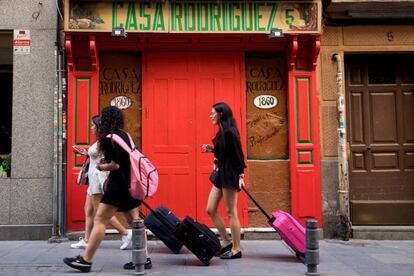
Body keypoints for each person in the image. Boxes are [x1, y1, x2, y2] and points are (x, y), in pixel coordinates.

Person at [64, 106, 151, 272]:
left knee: (100, 220)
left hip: (117, 186)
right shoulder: (124, 135)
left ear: (107, 120)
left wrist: (102, 167)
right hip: (131, 183)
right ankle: (144, 258)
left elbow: (114, 164)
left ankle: (86, 260)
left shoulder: (108, 139)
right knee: (136, 222)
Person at [70, 115, 133, 251]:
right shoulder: (98, 141)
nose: (91, 127)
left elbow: (108, 160)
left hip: (98, 179)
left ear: (99, 126)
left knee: (100, 212)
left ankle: (126, 233)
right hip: (93, 179)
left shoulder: (104, 141)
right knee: (88, 209)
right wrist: (86, 153)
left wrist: (100, 164)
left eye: (93, 125)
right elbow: (97, 156)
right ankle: (87, 240)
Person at [202, 102, 246, 260]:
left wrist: (241, 175)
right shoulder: (222, 131)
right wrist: (212, 149)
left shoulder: (230, 132)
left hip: (230, 174)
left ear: (221, 114)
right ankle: (226, 242)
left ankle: (236, 249)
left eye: (212, 113)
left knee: (231, 212)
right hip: (221, 173)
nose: (210, 116)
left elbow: (238, 155)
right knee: (210, 209)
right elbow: (225, 152)